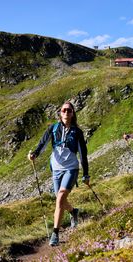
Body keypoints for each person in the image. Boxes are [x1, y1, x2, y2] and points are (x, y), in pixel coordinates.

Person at [28, 101, 89, 246]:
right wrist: (34, 154)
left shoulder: (77, 132)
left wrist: (86, 174)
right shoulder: (53, 128)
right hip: (55, 169)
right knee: (59, 199)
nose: (66, 113)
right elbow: (42, 144)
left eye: (69, 110)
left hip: (71, 168)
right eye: (64, 110)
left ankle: (55, 233)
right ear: (60, 113)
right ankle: (74, 211)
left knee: (60, 197)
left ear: (73, 113)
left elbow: (83, 154)